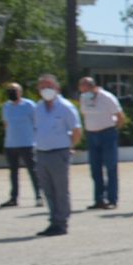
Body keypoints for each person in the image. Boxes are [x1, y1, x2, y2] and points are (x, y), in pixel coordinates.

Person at [31, 74, 81, 236]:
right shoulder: (38, 107)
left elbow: (76, 130)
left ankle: (61, 223)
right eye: (43, 87)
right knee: (48, 190)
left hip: (59, 152)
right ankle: (53, 220)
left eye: (49, 86)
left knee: (60, 190)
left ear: (57, 88)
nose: (46, 90)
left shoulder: (65, 106)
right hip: (42, 153)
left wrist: (70, 147)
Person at [76, 76, 124, 209]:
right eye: (82, 89)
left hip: (107, 134)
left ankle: (112, 199)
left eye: (85, 88)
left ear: (92, 86)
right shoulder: (84, 98)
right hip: (92, 135)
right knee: (95, 169)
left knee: (111, 167)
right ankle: (99, 199)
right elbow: (85, 114)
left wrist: (113, 131)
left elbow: (120, 117)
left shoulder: (107, 97)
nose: (83, 92)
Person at [0, 83, 41, 208]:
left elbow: (36, 123)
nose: (12, 92)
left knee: (33, 171)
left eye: (14, 90)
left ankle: (39, 196)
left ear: (20, 92)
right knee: (13, 172)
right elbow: (6, 124)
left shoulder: (29, 105)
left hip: (27, 143)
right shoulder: (6, 106)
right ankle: (13, 198)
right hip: (11, 144)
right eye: (10, 90)